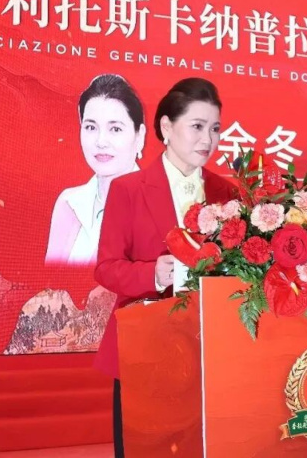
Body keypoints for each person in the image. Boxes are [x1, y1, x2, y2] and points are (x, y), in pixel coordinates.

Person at [94, 77, 237, 457]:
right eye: (197, 126)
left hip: (211, 349)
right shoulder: (128, 189)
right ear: (166, 127)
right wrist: (153, 274)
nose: (208, 139)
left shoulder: (228, 194)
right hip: (147, 346)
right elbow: (106, 268)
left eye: (215, 128)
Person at [45, 74, 146, 266]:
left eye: (115, 129)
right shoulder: (69, 203)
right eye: (91, 127)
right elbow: (49, 278)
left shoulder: (160, 206)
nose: (100, 141)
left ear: (139, 136)